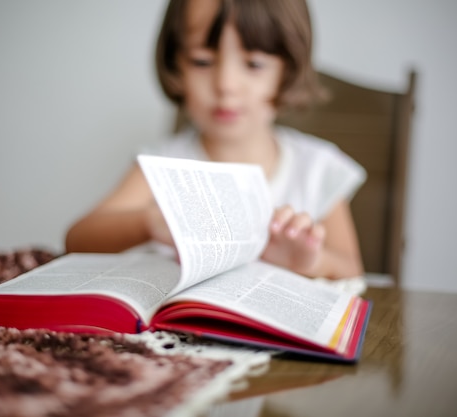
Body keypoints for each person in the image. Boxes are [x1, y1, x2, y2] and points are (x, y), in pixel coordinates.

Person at [66, 0, 366, 280]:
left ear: (286, 72)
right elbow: (77, 239)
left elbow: (351, 270)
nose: (226, 85)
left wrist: (310, 263)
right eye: (202, 61)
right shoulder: (161, 165)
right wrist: (150, 223)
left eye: (254, 64)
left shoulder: (317, 167)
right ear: (176, 66)